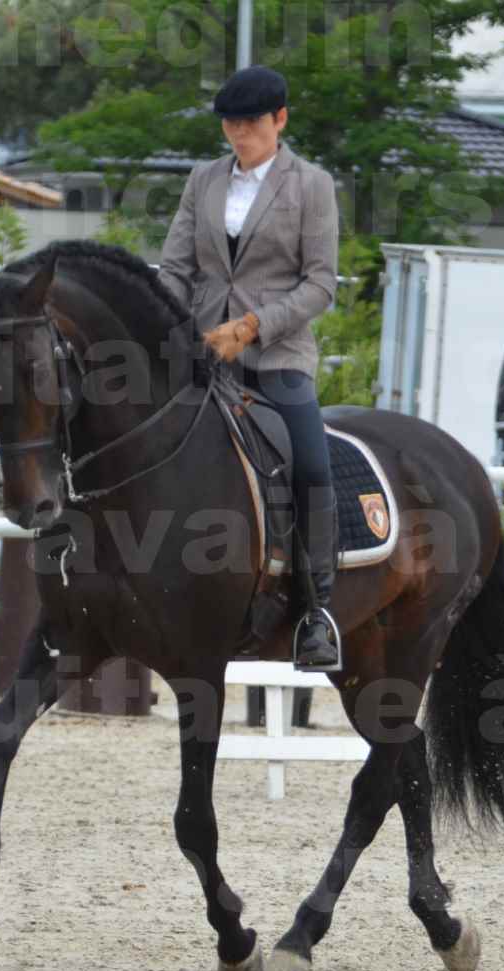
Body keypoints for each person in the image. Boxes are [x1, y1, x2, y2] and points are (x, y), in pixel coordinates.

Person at [158, 64, 341, 669]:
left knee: (311, 464)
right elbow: (176, 269)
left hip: (278, 357)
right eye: (231, 125)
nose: (240, 135)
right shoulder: (203, 180)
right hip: (204, 354)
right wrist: (167, 331)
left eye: (251, 124)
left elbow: (321, 284)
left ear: (280, 119)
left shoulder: (311, 186)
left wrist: (253, 326)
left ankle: (316, 612)